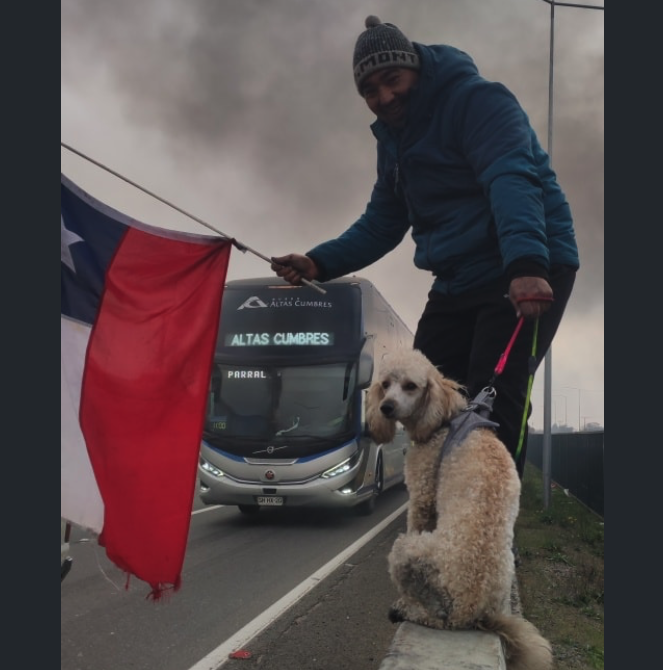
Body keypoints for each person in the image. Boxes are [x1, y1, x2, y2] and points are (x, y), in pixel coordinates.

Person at [271, 15, 579, 478]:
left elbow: (511, 178)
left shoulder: (476, 101)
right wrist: (319, 261)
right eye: (370, 91)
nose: (385, 97)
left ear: (414, 67)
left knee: (491, 402)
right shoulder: (394, 141)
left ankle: (495, 539)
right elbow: (382, 221)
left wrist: (528, 263)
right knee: (427, 400)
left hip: (525, 263)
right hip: (456, 276)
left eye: (392, 79)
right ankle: (438, 522)